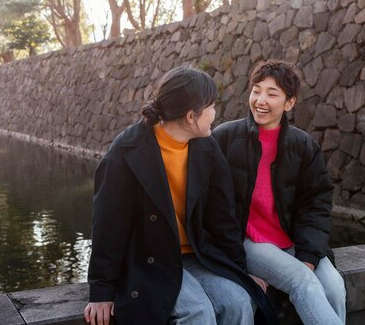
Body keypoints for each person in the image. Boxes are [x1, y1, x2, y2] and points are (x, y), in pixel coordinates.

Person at [84, 67, 277, 325]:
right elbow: (108, 224)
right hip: (149, 260)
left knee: (239, 300)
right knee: (197, 313)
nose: (214, 113)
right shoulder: (128, 149)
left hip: (199, 255)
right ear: (190, 117)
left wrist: (239, 272)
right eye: (210, 106)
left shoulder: (207, 148)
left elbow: (223, 220)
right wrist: (101, 290)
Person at [212, 60, 346, 325]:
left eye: (272, 94)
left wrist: (308, 256)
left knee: (335, 288)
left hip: (293, 240)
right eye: (256, 90)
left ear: (289, 103)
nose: (260, 100)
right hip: (250, 242)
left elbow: (316, 204)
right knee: (302, 281)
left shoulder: (303, 145)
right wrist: (236, 266)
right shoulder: (225, 137)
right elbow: (211, 207)